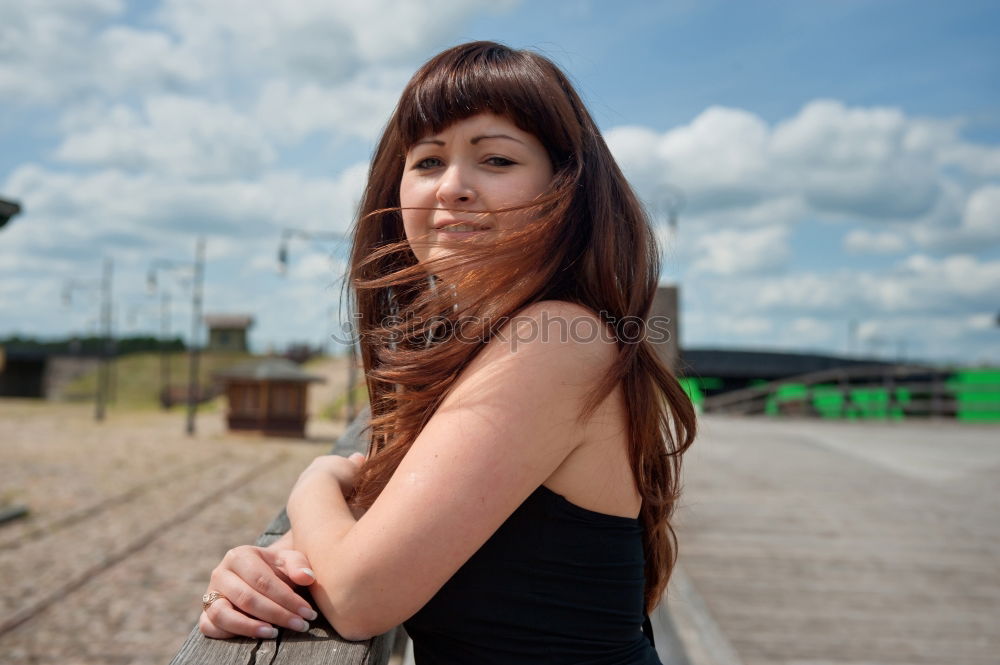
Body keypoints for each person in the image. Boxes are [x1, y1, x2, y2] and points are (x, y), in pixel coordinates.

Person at [198, 41, 697, 664]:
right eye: (428, 161)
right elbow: (337, 551)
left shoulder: (555, 341)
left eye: (495, 158)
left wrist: (314, 478)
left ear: (565, 188)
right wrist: (252, 574)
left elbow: (357, 595)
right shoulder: (466, 351)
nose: (453, 187)